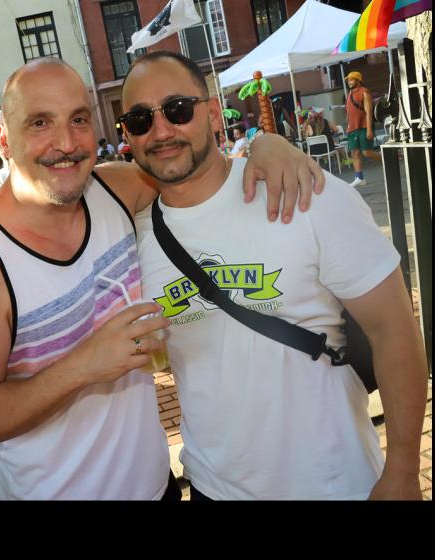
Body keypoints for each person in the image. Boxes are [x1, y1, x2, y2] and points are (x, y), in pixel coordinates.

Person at [0, 57, 324, 500]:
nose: (66, 143)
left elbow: (196, 170)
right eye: (40, 122)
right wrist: (83, 366)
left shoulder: (114, 190)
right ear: (4, 138)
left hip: (159, 487)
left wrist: (266, 146)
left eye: (79, 119)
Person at [120, 51, 427, 500]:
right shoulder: (131, 239)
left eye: (178, 109)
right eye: (140, 119)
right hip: (212, 488)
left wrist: (402, 468)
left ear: (212, 113)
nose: (161, 130)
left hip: (335, 484)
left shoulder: (307, 194)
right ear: (127, 134)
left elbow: (394, 330)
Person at [345, 71, 382, 187]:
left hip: (364, 127)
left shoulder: (364, 92)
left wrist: (369, 129)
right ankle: (359, 178)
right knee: (354, 153)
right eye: (348, 80)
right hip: (352, 128)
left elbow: (369, 112)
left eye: (352, 80)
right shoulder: (349, 94)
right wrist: (348, 126)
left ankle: (385, 160)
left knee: (367, 152)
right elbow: (349, 111)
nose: (349, 82)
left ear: (358, 80)